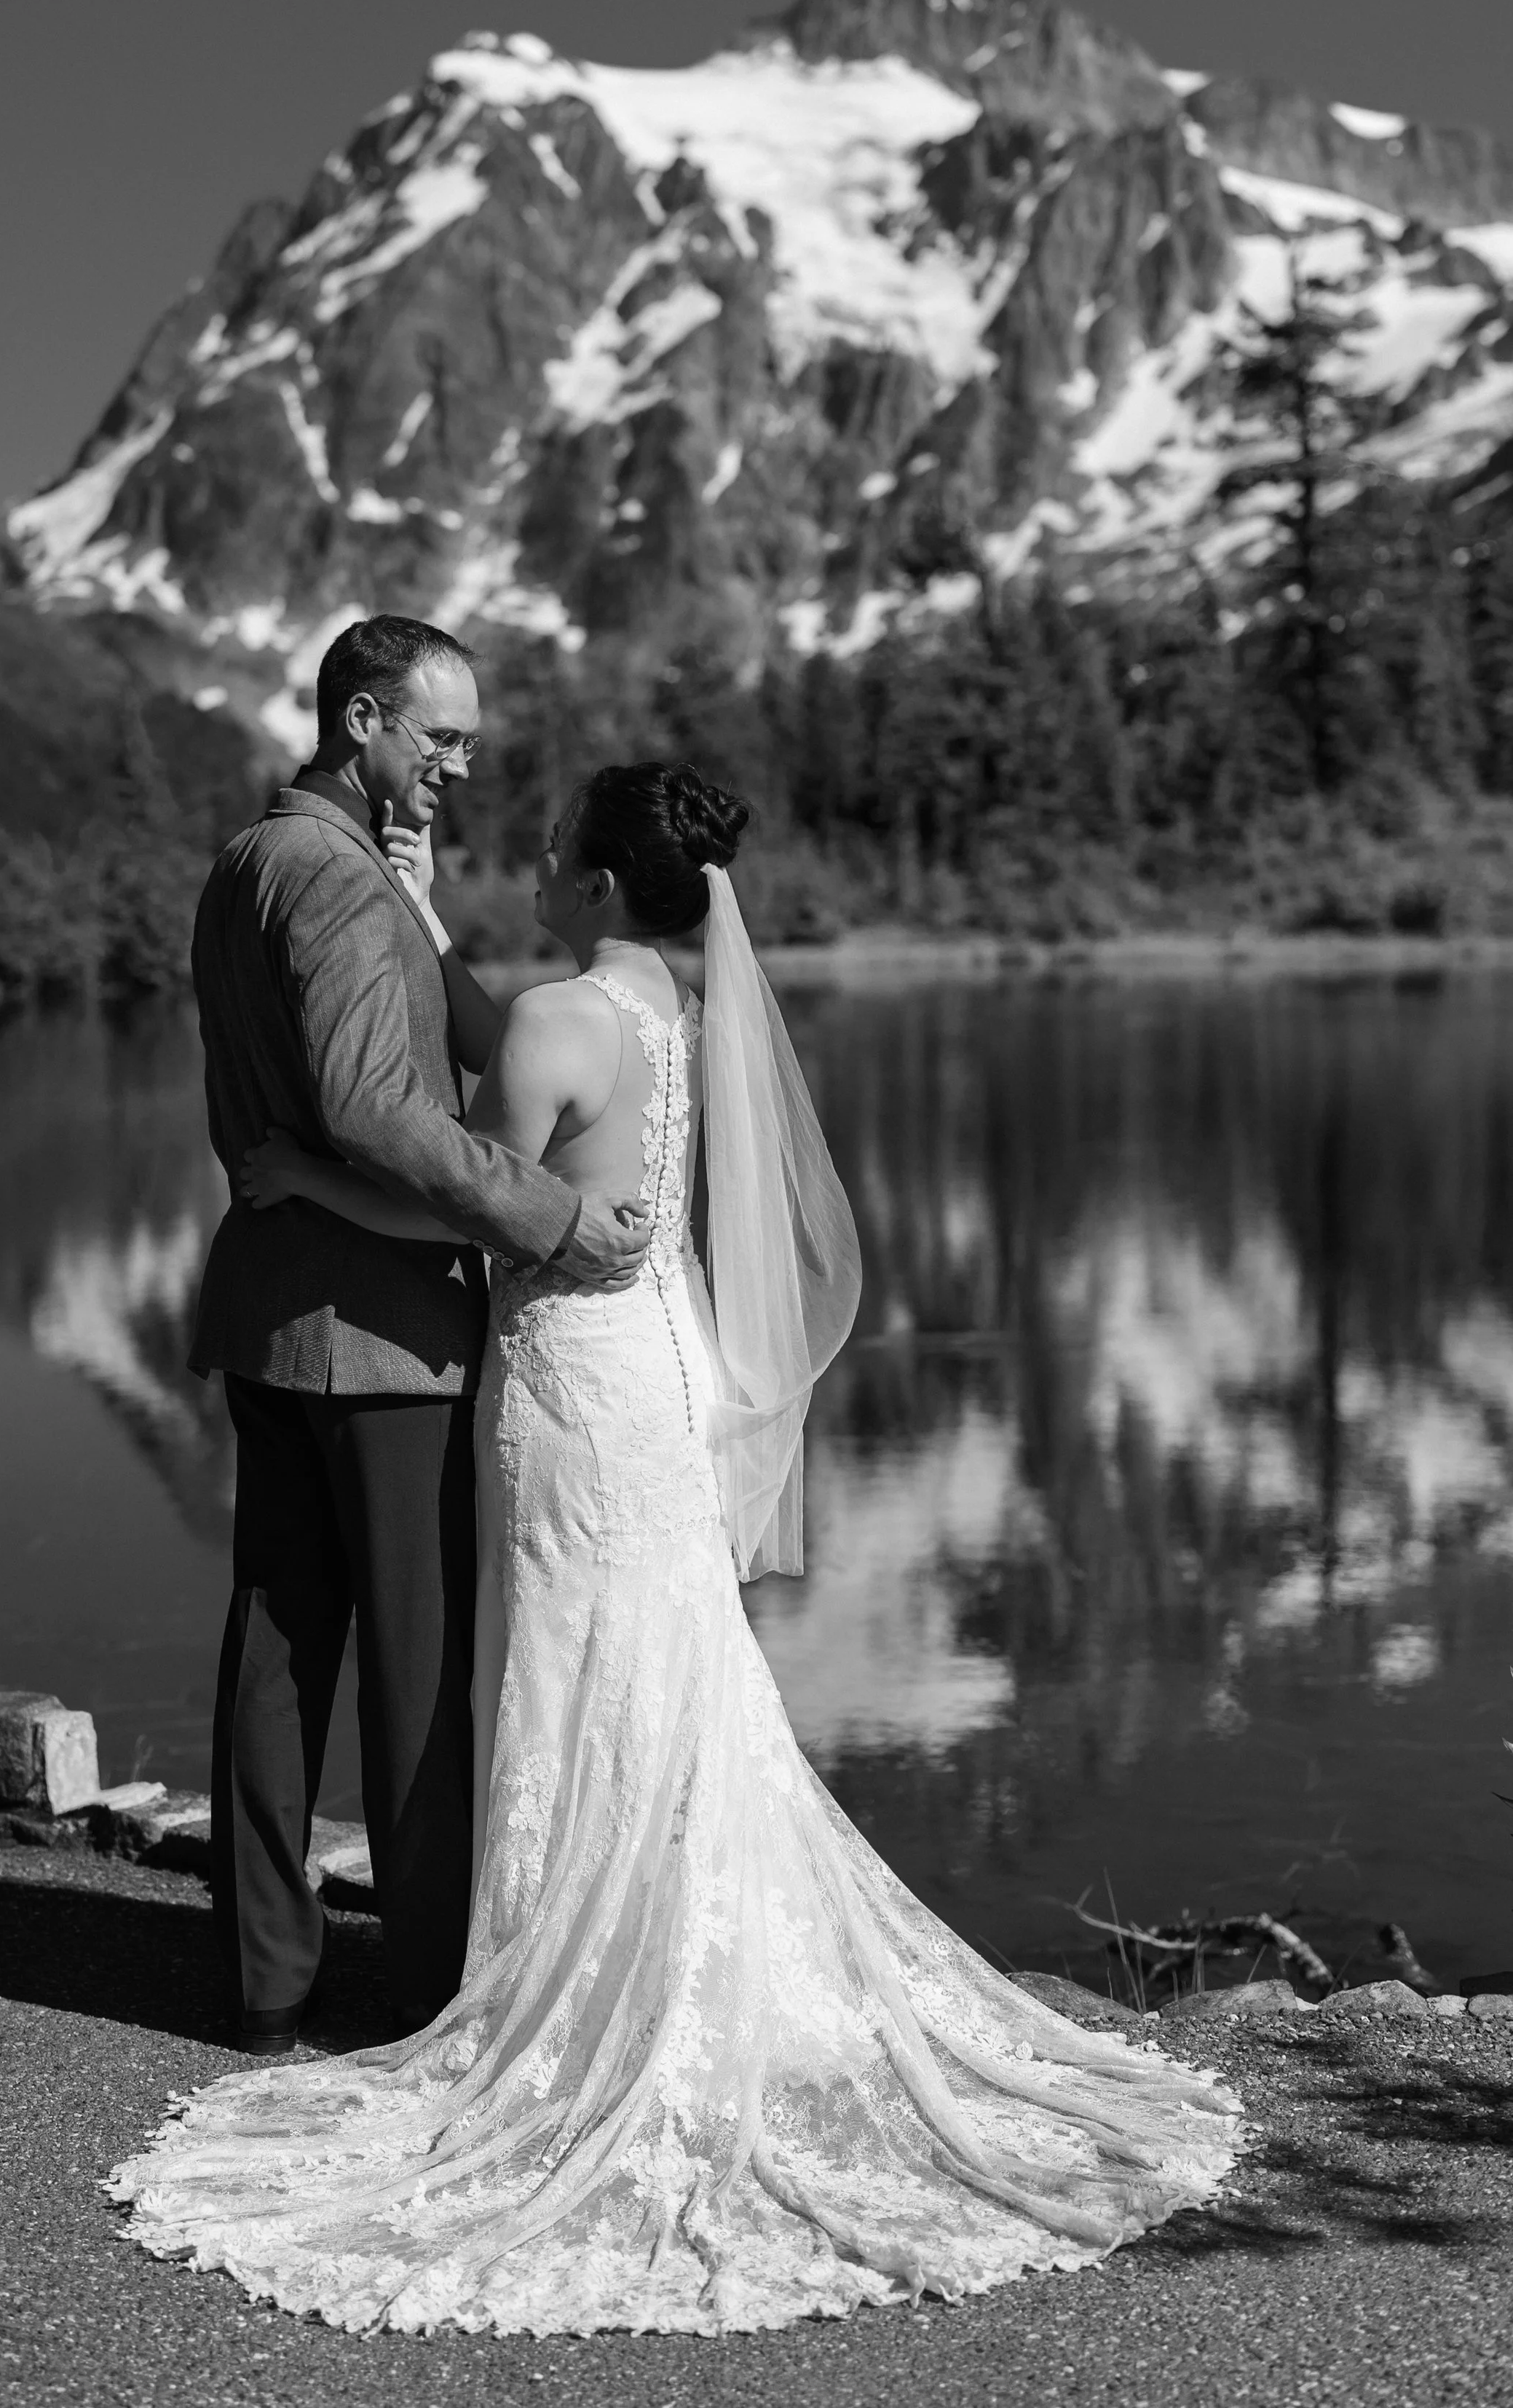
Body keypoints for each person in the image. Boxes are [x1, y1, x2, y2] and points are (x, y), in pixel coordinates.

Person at [115, 760, 1239, 2334]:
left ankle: (571, 1973)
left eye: (551, 849)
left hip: (571, 1377)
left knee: (576, 1665)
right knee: (665, 1661)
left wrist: (304, 1175)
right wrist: (428, 919)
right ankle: (669, 1949)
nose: (529, 862)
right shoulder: (671, 1013)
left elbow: (471, 1208)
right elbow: (523, 1059)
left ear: (587, 880)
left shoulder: (556, 1028)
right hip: (664, 1369)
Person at [186, 615, 649, 2054]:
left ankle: (265, 1982)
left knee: (276, 1649)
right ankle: (433, 1989)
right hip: (379, 1339)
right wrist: (548, 1217)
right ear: (368, 718)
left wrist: (426, 913)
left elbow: (395, 1062)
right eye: (439, 736)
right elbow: (372, 1112)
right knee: (414, 1671)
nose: (458, 762)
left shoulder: (254, 860)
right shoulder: (326, 880)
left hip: (271, 1313)